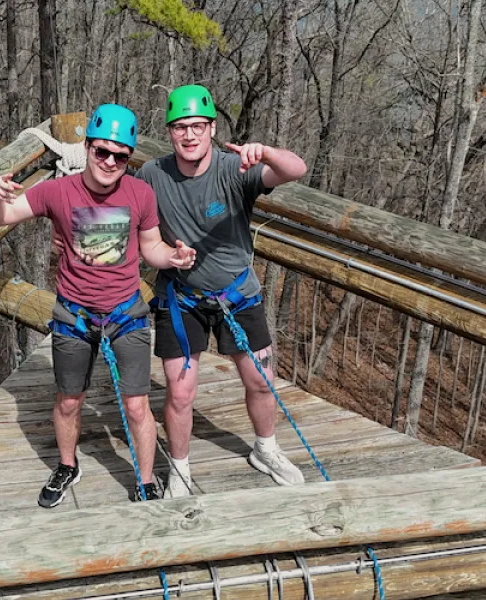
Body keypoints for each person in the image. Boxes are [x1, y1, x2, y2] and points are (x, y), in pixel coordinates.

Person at [0, 103, 196, 508]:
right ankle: (67, 464)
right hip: (74, 315)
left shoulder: (140, 194)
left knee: (136, 405)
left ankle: (145, 480)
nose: (110, 161)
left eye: (120, 155)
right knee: (68, 399)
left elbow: (151, 248)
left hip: (125, 313)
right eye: (102, 151)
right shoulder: (56, 192)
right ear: (87, 147)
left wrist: (174, 258)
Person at [136, 85, 309, 498]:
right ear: (169, 132)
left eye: (198, 126)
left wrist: (264, 153)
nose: (190, 135)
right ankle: (179, 468)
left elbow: (295, 169)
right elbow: (136, 225)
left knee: (262, 381)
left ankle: (265, 449)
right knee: (180, 392)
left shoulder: (235, 169)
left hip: (237, 294)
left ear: (212, 128)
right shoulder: (152, 176)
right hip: (183, 298)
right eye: (180, 127)